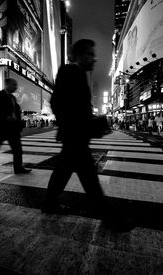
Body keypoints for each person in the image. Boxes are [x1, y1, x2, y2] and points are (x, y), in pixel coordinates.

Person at [42, 39, 110, 218]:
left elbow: (76, 106)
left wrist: (89, 120)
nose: (93, 59)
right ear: (79, 55)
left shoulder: (77, 73)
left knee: (64, 171)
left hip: (75, 135)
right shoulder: (70, 71)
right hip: (75, 135)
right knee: (88, 177)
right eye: (89, 54)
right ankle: (107, 215)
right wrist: (77, 123)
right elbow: (56, 102)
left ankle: (49, 204)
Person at [0, 78, 31, 174]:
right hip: (2, 127)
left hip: (13, 128)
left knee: (17, 150)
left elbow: (16, 112)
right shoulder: (0, 95)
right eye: (14, 85)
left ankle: (18, 168)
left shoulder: (13, 98)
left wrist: (19, 123)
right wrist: (5, 117)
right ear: (7, 85)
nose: (16, 87)